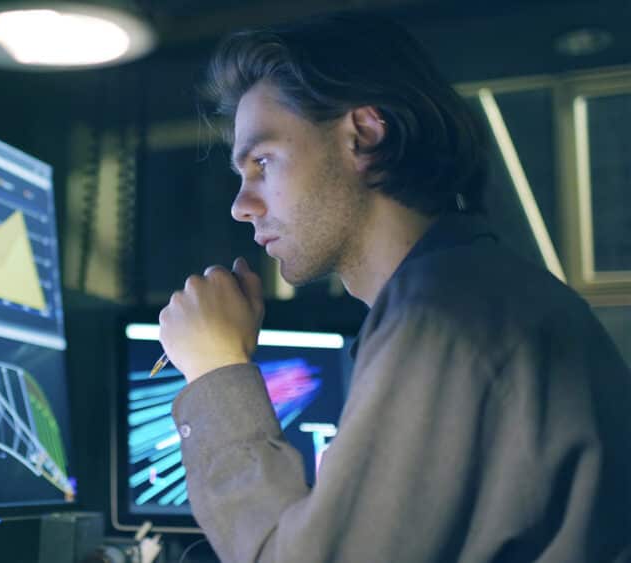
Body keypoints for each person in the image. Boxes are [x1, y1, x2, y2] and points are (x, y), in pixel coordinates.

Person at [157, 12, 631, 563]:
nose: (242, 205)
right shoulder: (473, 290)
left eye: (263, 161)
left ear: (364, 135)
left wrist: (216, 370)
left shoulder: (441, 319)